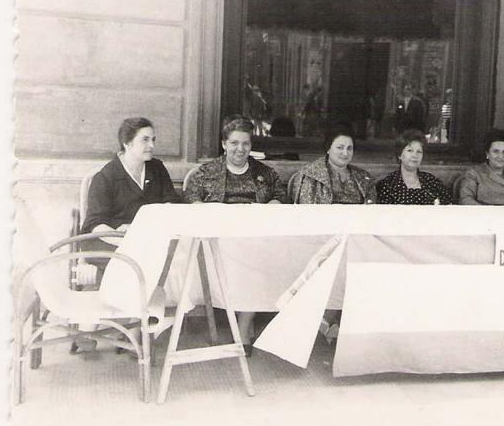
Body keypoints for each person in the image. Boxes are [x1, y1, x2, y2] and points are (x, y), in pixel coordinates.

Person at [184, 115, 286, 356]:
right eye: (234, 143)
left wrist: (274, 202)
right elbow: (190, 196)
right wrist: (202, 208)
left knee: (257, 260)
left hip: (254, 239)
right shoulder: (206, 171)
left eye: (246, 144)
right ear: (224, 144)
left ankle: (244, 325)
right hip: (218, 241)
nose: (240, 149)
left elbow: (281, 193)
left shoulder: (265, 172)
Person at [83, 117, 182, 248]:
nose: (152, 146)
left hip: (151, 238)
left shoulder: (157, 169)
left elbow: (171, 202)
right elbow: (95, 224)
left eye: (153, 140)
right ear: (127, 143)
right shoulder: (105, 177)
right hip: (113, 242)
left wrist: (143, 227)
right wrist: (129, 242)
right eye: (145, 140)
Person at [287, 123, 377, 204]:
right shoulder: (310, 176)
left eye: (349, 148)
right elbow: (306, 212)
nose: (345, 153)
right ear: (328, 149)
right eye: (340, 147)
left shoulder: (363, 177)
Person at [458, 128, 504, 205]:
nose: (500, 156)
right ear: (487, 154)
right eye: (496, 152)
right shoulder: (474, 174)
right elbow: (466, 199)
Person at [377, 129, 451, 205]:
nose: (415, 156)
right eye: (410, 150)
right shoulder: (387, 185)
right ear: (399, 155)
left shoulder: (433, 182)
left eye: (419, 152)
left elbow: (448, 209)